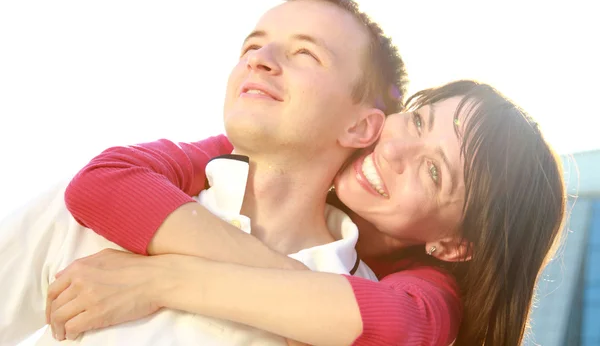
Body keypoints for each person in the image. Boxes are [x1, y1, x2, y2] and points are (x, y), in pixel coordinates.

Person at [0, 0, 407, 346]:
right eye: (251, 46)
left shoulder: (363, 320)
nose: (260, 59)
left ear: (360, 127)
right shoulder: (87, 222)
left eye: (305, 52)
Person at [53, 80, 566, 346]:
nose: (394, 151)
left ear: (453, 245)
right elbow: (104, 183)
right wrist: (307, 303)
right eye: (416, 121)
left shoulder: (432, 298)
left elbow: (391, 331)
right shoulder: (297, 155)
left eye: (433, 172)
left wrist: (162, 278)